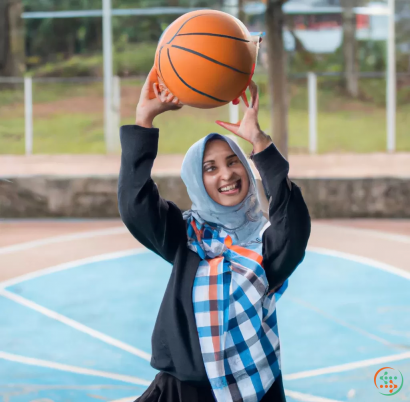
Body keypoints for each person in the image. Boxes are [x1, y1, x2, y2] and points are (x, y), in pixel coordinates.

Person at [117, 66, 311, 402]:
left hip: (256, 388)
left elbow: (294, 229)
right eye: (210, 167)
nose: (226, 174)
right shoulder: (183, 235)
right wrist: (143, 119)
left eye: (233, 161)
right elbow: (136, 206)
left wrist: (260, 143)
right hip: (183, 391)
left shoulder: (265, 242)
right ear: (196, 181)